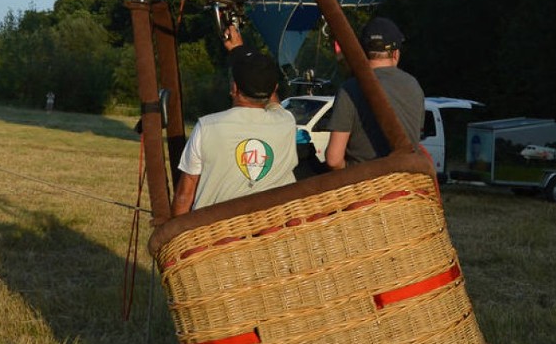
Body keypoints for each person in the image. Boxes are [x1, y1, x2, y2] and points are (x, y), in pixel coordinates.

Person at [170, 36, 298, 215]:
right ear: (274, 88)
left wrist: (174, 237)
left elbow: (185, 195)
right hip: (270, 231)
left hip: (217, 234)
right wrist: (241, 52)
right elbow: (274, 101)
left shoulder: (207, 126)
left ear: (234, 88)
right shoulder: (286, 122)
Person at [324, 17, 425, 170]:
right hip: (404, 184)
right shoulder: (414, 86)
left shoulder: (349, 88)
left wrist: (350, 170)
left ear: (363, 52)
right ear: (396, 54)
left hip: (364, 186)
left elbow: (333, 159)